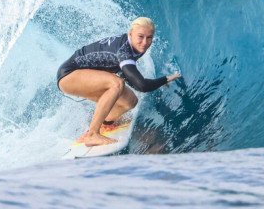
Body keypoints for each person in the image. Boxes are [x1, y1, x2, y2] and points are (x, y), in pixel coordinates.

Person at [56, 17, 181, 147]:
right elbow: (142, 85)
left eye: (149, 37)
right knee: (116, 83)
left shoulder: (134, 47)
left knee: (130, 101)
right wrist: (164, 79)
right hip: (68, 75)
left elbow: (133, 81)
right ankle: (93, 134)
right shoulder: (123, 51)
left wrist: (158, 82)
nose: (145, 42)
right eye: (140, 36)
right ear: (130, 34)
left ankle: (106, 121)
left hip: (85, 77)